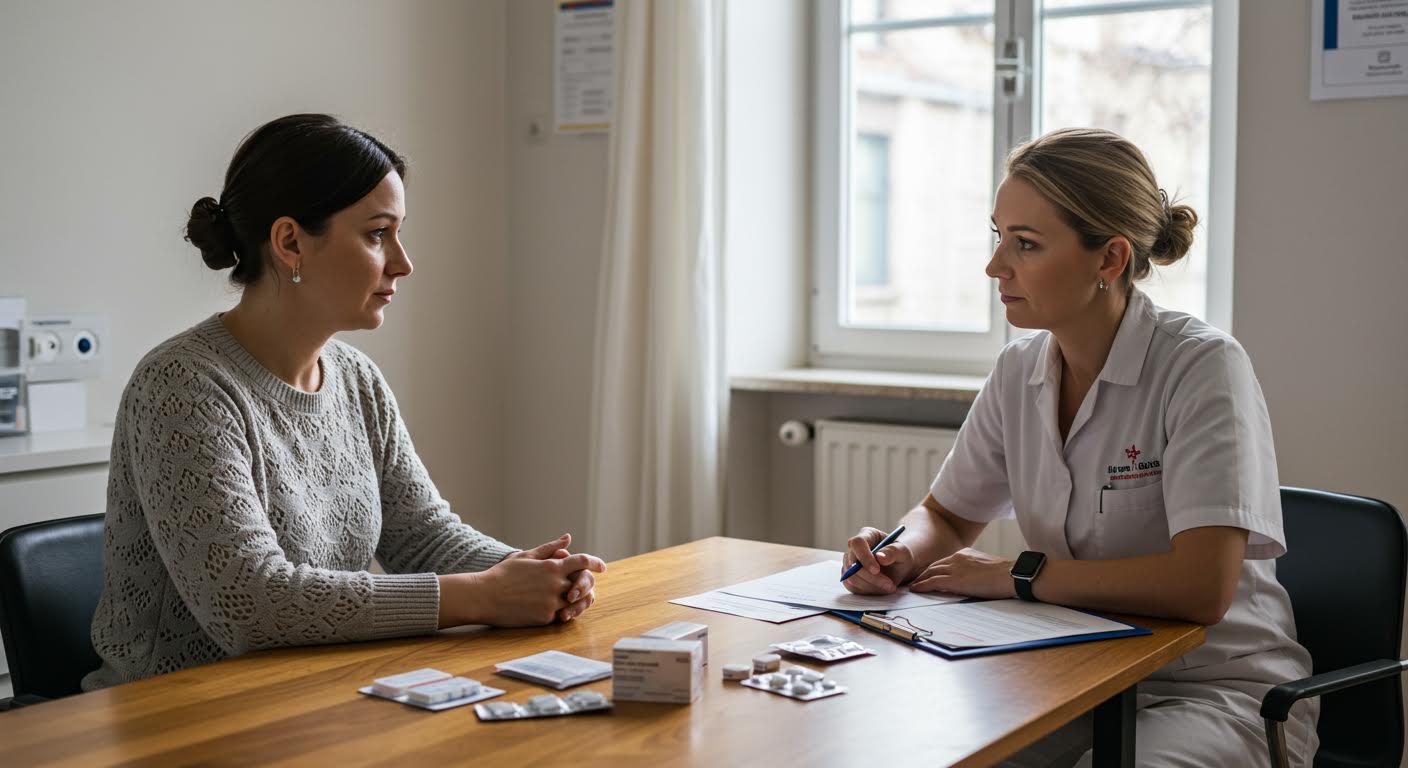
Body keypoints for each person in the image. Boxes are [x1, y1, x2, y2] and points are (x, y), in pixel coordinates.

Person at [841, 128, 1318, 766]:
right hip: (1076, 676)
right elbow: (948, 515)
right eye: (998, 236)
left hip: (1216, 692)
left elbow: (1201, 588)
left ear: (1109, 259)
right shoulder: (1018, 370)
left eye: (1026, 244)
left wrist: (1016, 576)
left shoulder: (1202, 366)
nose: (995, 266)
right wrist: (899, 552)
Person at [84, 114, 604, 690]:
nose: (403, 262)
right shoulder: (180, 385)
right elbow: (248, 604)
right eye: (378, 234)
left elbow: (422, 536)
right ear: (290, 243)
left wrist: (530, 573)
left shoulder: (356, 379)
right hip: (175, 712)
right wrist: (484, 596)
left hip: (312, 695)